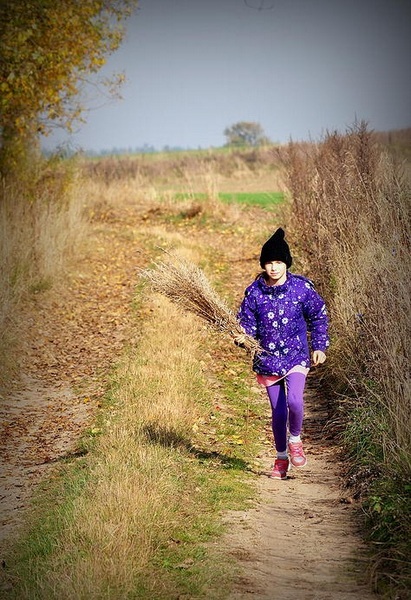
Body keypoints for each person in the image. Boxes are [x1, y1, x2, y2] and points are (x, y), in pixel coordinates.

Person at [237, 228, 329, 479]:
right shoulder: (254, 292)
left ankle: (296, 440)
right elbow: (247, 324)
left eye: (278, 262)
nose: (273, 267)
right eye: (269, 263)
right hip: (267, 359)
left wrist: (319, 345)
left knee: (295, 402)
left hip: (296, 355)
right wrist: (243, 338)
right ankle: (280, 459)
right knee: (278, 412)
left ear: (286, 263)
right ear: (263, 265)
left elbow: (318, 316)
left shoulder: (301, 289)